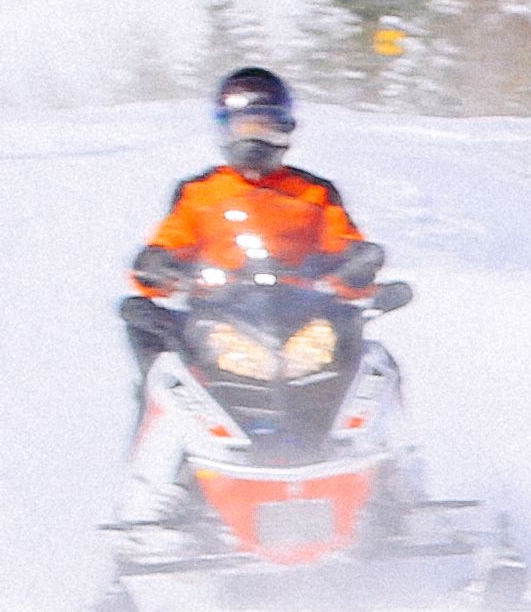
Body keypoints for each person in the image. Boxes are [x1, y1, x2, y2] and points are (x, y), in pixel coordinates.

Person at [119, 68, 391, 501]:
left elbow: (346, 244)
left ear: (283, 129)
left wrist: (358, 264)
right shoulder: (200, 193)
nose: (253, 138)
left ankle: (394, 476)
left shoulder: (314, 194)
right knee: (165, 371)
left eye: (263, 126)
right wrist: (159, 264)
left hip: (303, 318)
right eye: (244, 127)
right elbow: (168, 243)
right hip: (223, 321)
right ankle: (157, 492)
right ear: (225, 130)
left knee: (375, 361)